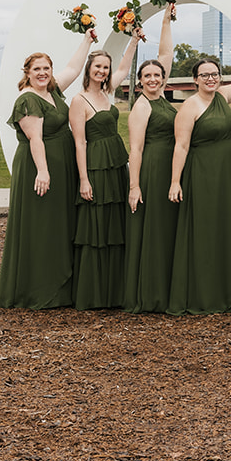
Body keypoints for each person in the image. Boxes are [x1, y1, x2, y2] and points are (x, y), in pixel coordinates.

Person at [0, 32, 100, 309]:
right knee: (43, 224)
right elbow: (35, 139)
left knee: (61, 222)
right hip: (40, 166)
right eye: (36, 69)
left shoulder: (52, 91)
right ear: (27, 73)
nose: (42, 73)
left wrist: (88, 41)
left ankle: (62, 284)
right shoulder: (28, 99)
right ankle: (40, 288)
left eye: (46, 68)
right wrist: (43, 171)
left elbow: (74, 69)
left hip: (63, 164)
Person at [167, 40, 231, 314]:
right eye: (205, 75)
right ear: (195, 80)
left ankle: (229, 291)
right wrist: (175, 181)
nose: (211, 78)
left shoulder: (223, 97)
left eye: (215, 74)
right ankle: (205, 293)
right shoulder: (189, 107)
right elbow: (181, 146)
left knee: (226, 226)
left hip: (227, 175)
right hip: (203, 174)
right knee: (206, 229)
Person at [67, 31, 144, 310]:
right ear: (88, 69)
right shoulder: (79, 101)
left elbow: (124, 68)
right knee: (97, 228)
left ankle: (116, 291)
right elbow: (79, 142)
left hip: (116, 166)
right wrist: (84, 180)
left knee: (115, 226)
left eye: (105, 68)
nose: (103, 71)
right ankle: (94, 293)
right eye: (98, 66)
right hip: (96, 168)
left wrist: (134, 41)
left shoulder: (107, 93)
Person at [123, 7, 177, 314]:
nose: (154, 79)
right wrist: (134, 186)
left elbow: (165, 52)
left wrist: (167, 20)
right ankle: (151, 293)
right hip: (153, 171)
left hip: (171, 168)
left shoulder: (163, 99)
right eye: (147, 76)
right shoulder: (142, 107)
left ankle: (169, 287)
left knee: (168, 229)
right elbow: (136, 150)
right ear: (140, 81)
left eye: (158, 75)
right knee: (154, 230)